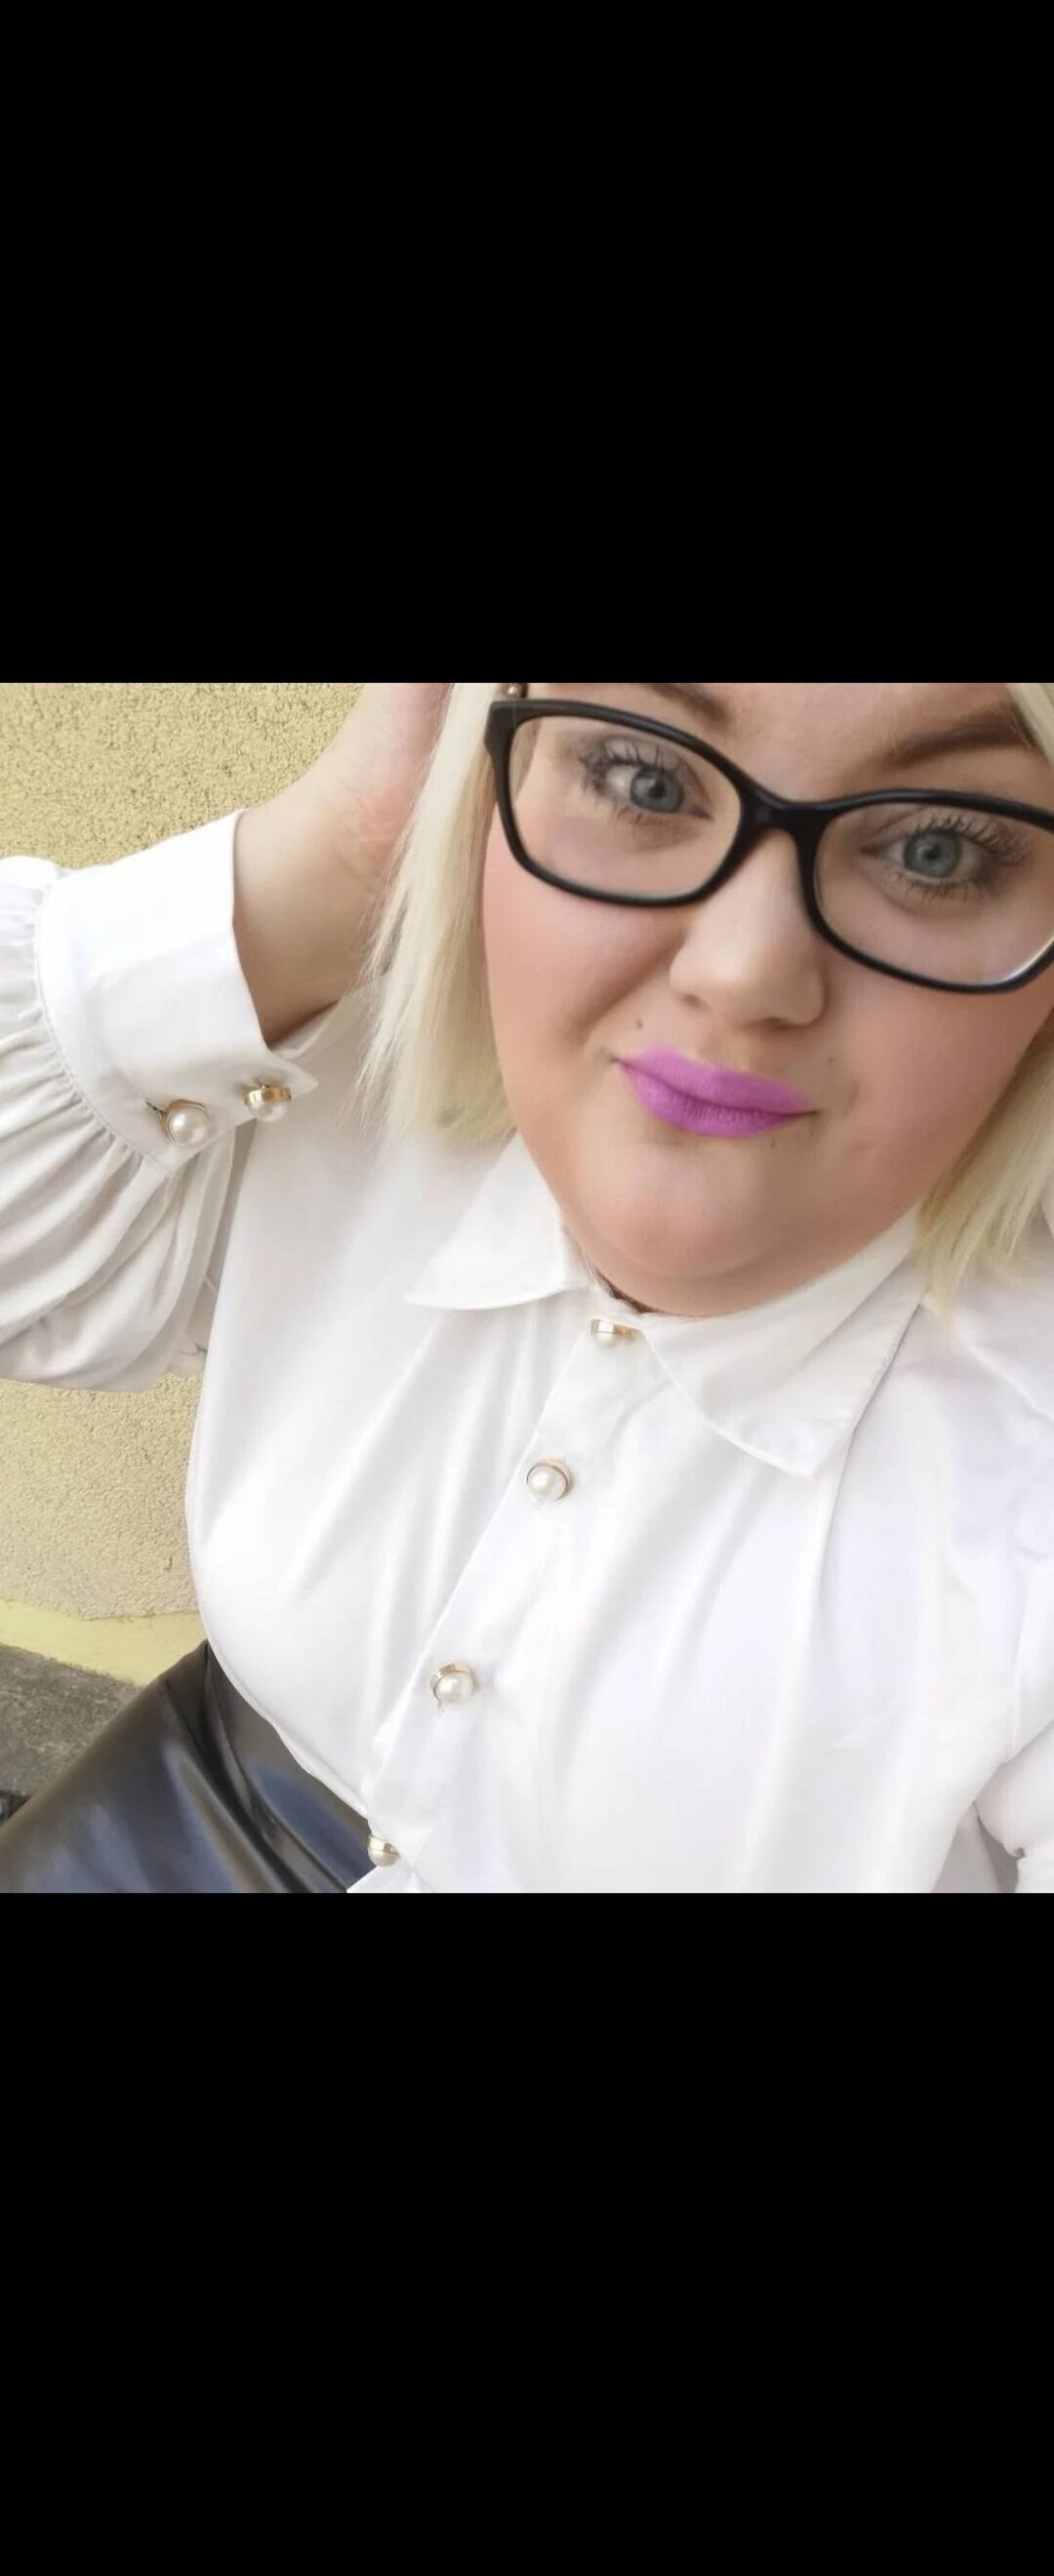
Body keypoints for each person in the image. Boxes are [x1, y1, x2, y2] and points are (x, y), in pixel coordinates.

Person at [2, 678, 1054, 1893]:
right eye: (642, 778)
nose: (743, 971)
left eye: (934, 852)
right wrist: (329, 866)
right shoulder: (336, 1080)